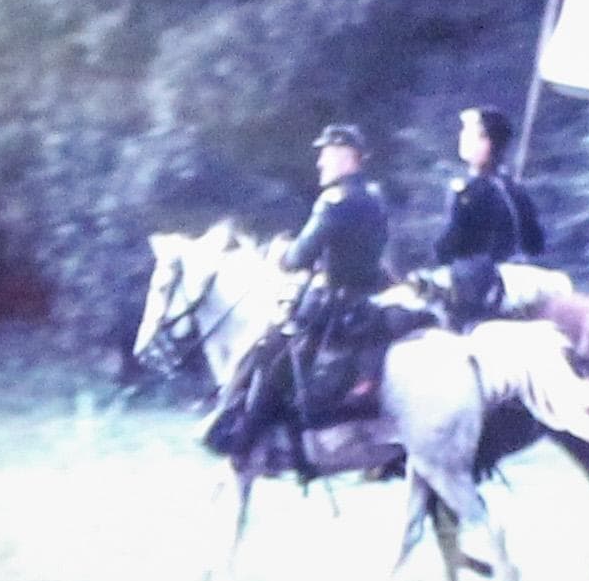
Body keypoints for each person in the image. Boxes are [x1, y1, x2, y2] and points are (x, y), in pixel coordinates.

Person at [202, 121, 394, 461]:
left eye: (328, 154)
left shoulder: (334, 201)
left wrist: (282, 253)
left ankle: (245, 441)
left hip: (335, 306)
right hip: (369, 301)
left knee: (267, 353)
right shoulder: (375, 197)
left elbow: (300, 256)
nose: (320, 163)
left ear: (349, 158)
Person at [434, 102, 546, 323]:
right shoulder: (515, 189)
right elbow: (536, 243)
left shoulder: (470, 192)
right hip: (520, 280)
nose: (462, 137)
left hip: (482, 289)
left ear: (486, 143)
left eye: (469, 132)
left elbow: (446, 248)